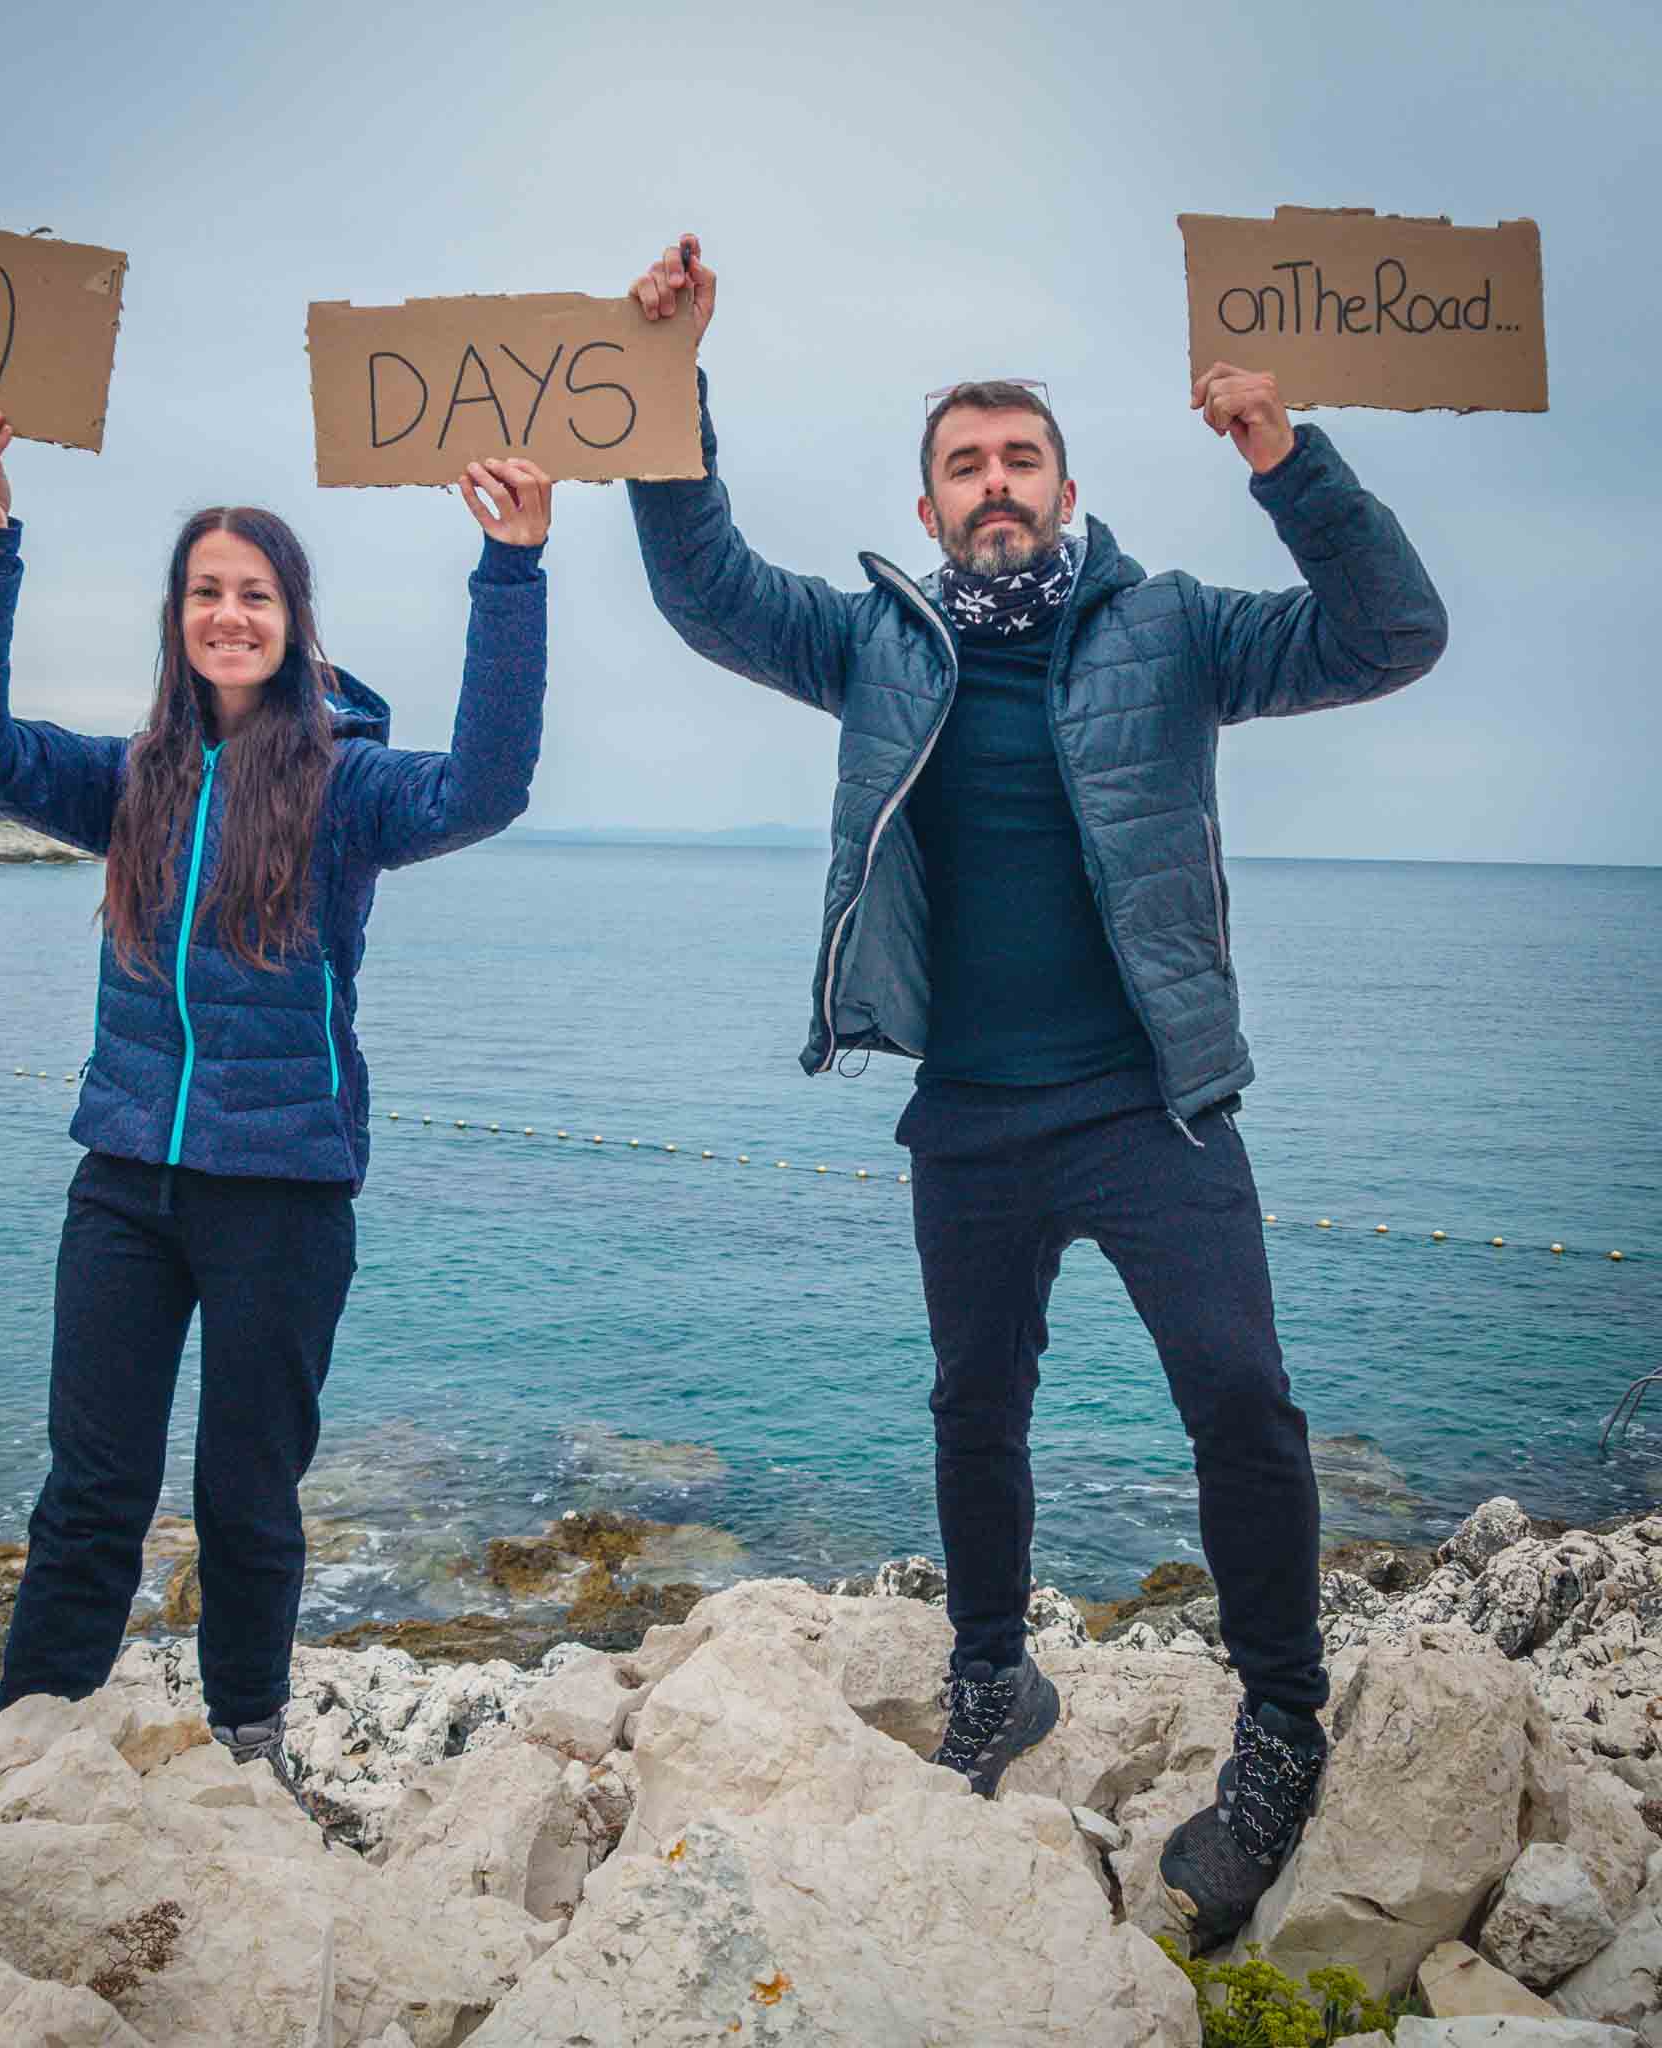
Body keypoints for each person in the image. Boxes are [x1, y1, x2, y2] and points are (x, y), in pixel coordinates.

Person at [624, 235, 1447, 1950]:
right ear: (928, 509)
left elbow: (1393, 633)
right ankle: (993, 1677)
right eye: (961, 466)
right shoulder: (876, 645)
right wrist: (667, 392)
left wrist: (1286, 458)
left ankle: (1281, 1721)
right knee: (971, 1404)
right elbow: (708, 593)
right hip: (973, 1111)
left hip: (1155, 1104)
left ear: (1067, 486)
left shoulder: (1176, 630)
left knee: (1242, 1396)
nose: (992, 486)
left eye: (1019, 460)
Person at [0, 401, 552, 1796]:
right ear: (176, 620)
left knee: (246, 1499)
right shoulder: (127, 780)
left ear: (295, 622)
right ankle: (26, 1743)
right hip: (125, 1182)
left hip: (285, 1192)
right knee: (91, 1492)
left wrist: (511, 570)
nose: (228, 614)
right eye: (205, 593)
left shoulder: (350, 791)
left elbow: (490, 785)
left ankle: (249, 1748)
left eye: (253, 594)